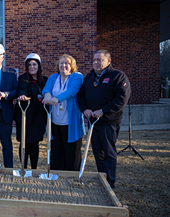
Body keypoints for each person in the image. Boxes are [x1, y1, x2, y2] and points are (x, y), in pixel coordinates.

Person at [78, 50, 130, 188]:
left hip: (109, 122)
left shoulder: (118, 77)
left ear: (108, 61)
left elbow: (121, 99)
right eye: (94, 59)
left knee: (108, 152)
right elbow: (81, 96)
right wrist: (85, 109)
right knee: (97, 153)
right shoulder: (89, 77)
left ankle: (110, 183)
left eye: (100, 60)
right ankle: (102, 179)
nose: (96, 62)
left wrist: (103, 111)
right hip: (92, 122)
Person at [42, 54, 85, 171]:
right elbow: (46, 89)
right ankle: (57, 177)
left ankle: (72, 177)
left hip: (70, 122)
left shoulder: (77, 76)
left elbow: (72, 91)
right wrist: (47, 95)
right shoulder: (53, 77)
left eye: (67, 63)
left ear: (72, 66)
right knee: (56, 153)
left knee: (72, 153)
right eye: (61, 63)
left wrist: (56, 99)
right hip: (55, 121)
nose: (63, 65)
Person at [14, 53, 48, 169]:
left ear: (38, 66)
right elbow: (22, 89)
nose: (32, 67)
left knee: (35, 143)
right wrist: (22, 95)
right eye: (29, 65)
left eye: (34, 64)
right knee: (25, 143)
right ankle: (23, 167)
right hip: (25, 116)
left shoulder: (45, 80)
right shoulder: (23, 79)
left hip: (39, 117)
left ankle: (34, 169)